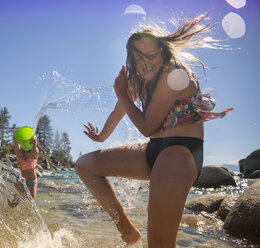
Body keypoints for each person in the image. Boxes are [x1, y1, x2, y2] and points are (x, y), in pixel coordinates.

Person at [75, 14, 233, 247]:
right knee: (85, 165)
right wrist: (101, 137)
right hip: (154, 151)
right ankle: (128, 232)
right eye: (137, 56)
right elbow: (119, 113)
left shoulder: (174, 74)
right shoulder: (139, 81)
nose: (144, 61)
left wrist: (122, 95)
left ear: (163, 51)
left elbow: (147, 127)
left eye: (150, 54)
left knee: (159, 244)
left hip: (179, 154)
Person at [13, 135, 39, 200]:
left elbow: (35, 148)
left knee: (31, 203)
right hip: (21, 182)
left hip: (32, 182)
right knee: (15, 202)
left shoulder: (33, 153)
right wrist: (16, 139)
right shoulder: (19, 153)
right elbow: (16, 144)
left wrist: (35, 141)